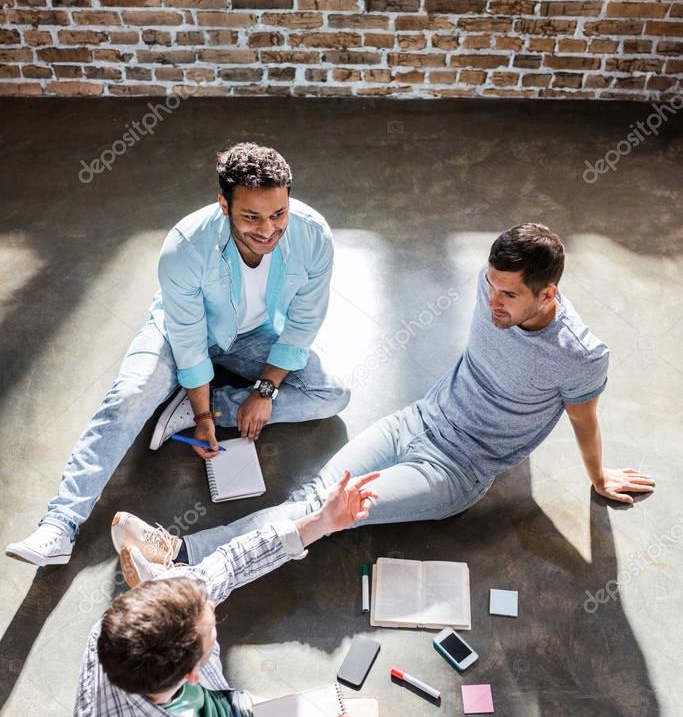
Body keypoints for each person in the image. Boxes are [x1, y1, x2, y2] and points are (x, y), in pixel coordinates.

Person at [76, 470, 632, 717]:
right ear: (193, 673)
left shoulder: (131, 627)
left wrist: (322, 522)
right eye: (212, 628)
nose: (214, 611)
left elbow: (229, 564)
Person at [111, 222, 654, 568]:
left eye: (508, 294)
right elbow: (499, 367)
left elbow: (583, 422)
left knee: (325, 513)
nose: (492, 301)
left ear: (549, 293)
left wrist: (599, 478)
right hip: (416, 420)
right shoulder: (498, 289)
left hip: (456, 471)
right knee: (314, 495)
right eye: (489, 284)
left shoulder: (580, 356)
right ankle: (183, 561)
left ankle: (182, 557)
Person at [6, 143, 349, 568]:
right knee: (131, 395)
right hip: (181, 332)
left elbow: (303, 323)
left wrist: (263, 392)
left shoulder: (313, 234)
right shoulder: (185, 247)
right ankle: (60, 523)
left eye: (278, 214)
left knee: (332, 393)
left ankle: (199, 406)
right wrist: (205, 419)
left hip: (254, 335)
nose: (268, 230)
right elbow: (187, 341)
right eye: (251, 217)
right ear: (224, 204)